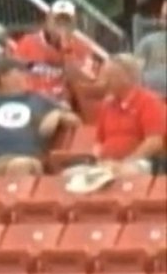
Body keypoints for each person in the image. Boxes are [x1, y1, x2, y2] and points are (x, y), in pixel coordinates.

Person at [0, 58, 79, 178]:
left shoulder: (39, 100)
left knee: (19, 166)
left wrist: (57, 114)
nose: (25, 75)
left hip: (26, 158)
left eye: (25, 72)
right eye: (19, 72)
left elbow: (75, 120)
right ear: (3, 78)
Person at [65, 53, 167, 192]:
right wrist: (99, 161)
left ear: (125, 77)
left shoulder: (149, 102)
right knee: (69, 175)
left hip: (141, 163)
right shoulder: (107, 105)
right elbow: (99, 143)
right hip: (107, 164)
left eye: (108, 76)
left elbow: (154, 142)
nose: (103, 82)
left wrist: (125, 162)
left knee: (125, 173)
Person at [6, 0, 101, 107]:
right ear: (48, 20)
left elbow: (87, 81)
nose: (61, 26)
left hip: (63, 105)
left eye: (66, 22)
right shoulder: (28, 42)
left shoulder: (82, 48)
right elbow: (13, 73)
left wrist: (67, 49)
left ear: (74, 25)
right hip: (32, 101)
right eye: (57, 21)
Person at [133, 0, 167, 98]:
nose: (165, 21)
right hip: (153, 103)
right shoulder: (148, 44)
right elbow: (135, 76)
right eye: (164, 17)